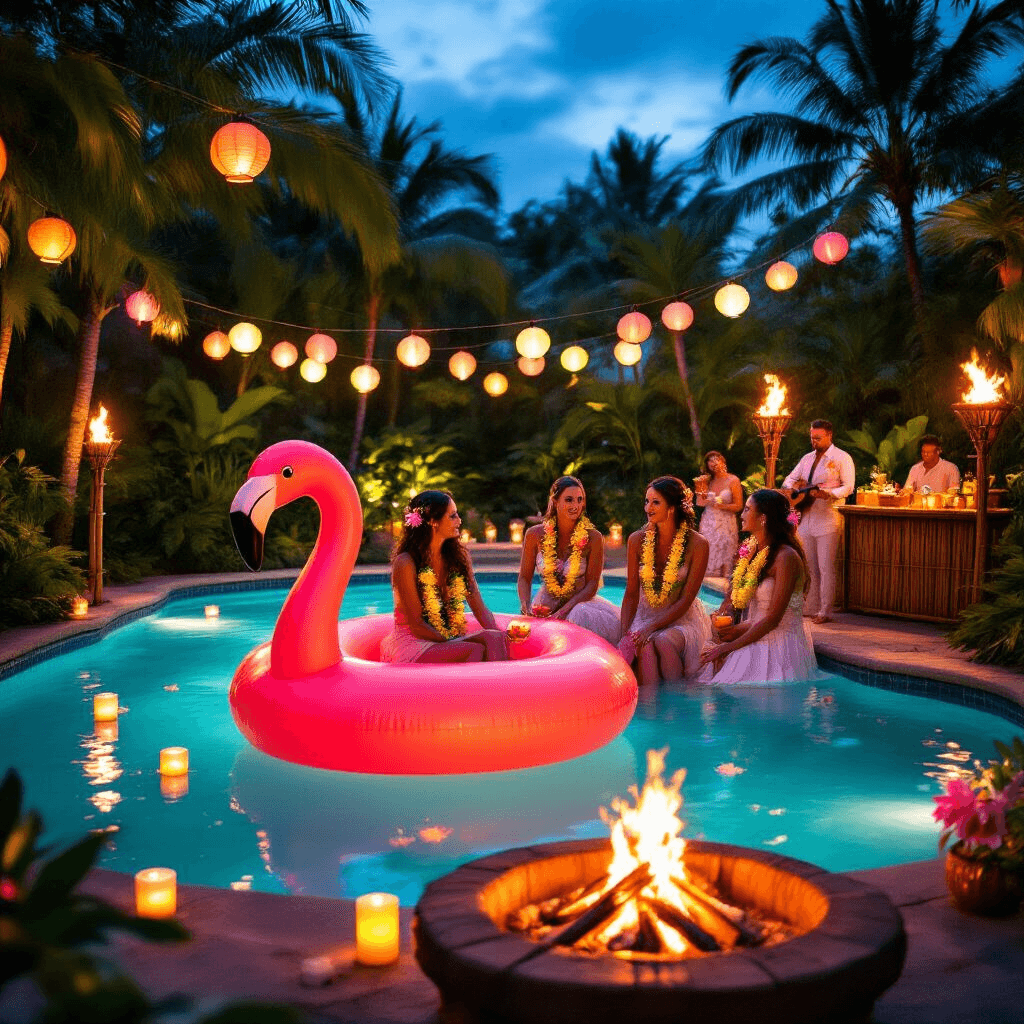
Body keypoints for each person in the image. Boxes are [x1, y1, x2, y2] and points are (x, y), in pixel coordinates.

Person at [698, 489, 820, 683]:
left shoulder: (786, 557)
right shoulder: (755, 550)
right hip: (758, 633)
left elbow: (773, 619)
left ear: (763, 518)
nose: (742, 514)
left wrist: (727, 647)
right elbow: (759, 615)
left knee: (721, 682)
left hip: (777, 646)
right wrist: (736, 631)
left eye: (747, 509)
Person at [381, 490, 510, 663]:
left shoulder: (457, 559)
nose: (459, 521)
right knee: (473, 649)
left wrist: (500, 635)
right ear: (433, 522)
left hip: (446, 637)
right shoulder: (406, 562)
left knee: (493, 638)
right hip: (415, 641)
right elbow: (417, 625)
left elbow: (479, 608)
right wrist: (453, 641)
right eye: (453, 516)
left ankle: (499, 688)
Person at [619, 476, 711, 683]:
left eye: (655, 502)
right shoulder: (636, 540)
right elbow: (632, 592)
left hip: (681, 618)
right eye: (646, 501)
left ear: (672, 507)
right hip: (645, 615)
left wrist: (651, 628)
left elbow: (686, 600)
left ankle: (679, 703)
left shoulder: (698, 544)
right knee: (645, 646)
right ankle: (652, 709)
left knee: (661, 640)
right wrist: (625, 634)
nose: (648, 507)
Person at [517, 476, 620, 645]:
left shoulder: (593, 538)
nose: (576, 506)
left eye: (580, 500)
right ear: (555, 502)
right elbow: (524, 578)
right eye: (569, 500)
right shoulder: (534, 535)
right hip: (545, 604)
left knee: (577, 615)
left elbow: (592, 584)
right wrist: (525, 606)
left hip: (580, 605)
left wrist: (565, 611)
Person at [782, 419, 855, 624]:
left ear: (829, 435)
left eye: (818, 438)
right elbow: (788, 479)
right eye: (812, 438)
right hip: (806, 516)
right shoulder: (807, 458)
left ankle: (825, 609)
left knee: (825, 566)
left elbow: (848, 487)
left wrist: (828, 493)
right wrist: (796, 485)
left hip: (829, 517)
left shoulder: (842, 458)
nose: (814, 442)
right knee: (809, 565)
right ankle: (811, 605)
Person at [694, 450, 743, 578]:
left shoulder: (733, 480)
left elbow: (738, 506)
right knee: (709, 552)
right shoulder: (707, 481)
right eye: (710, 460)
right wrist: (700, 491)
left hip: (726, 523)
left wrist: (721, 506)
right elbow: (699, 503)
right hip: (709, 523)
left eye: (716, 459)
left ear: (722, 461)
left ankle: (725, 585)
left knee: (725, 553)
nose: (713, 462)